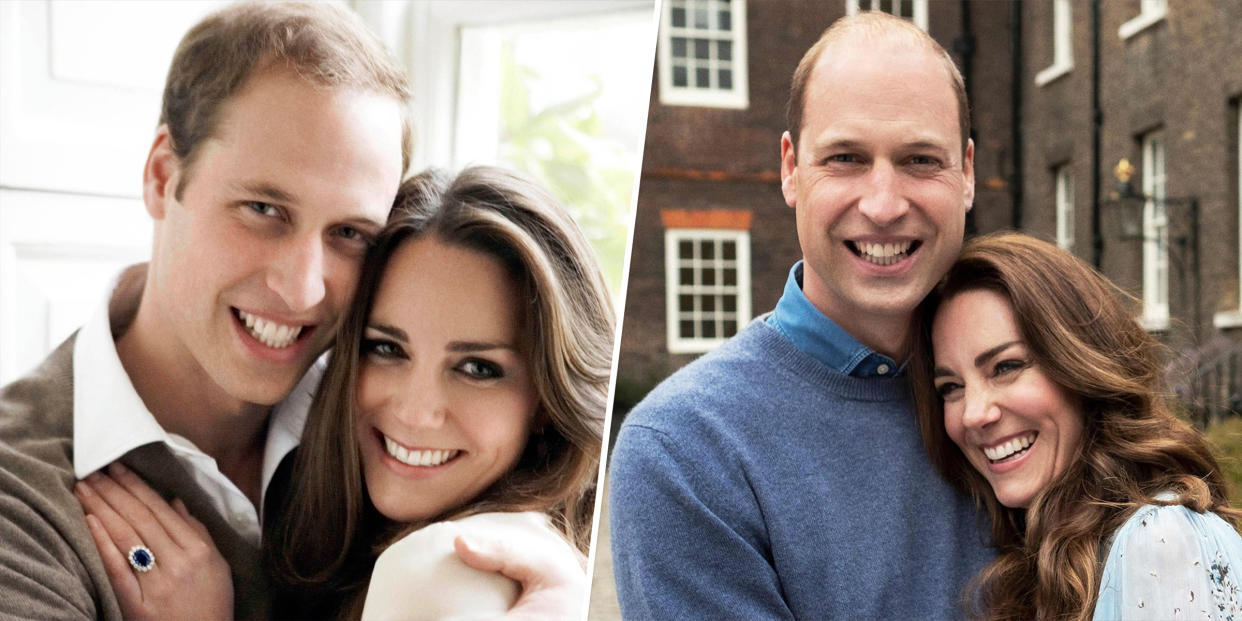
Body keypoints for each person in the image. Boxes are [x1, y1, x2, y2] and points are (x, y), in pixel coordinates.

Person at [0, 4, 578, 619]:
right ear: (163, 174)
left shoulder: (397, 439)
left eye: (350, 232)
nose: (303, 290)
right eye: (263, 209)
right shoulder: (21, 504)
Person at [76, 167, 615, 620]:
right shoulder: (359, 537)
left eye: (477, 368)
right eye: (386, 349)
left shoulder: (447, 574)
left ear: (547, 398)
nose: (415, 411)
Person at [608, 12, 992, 620]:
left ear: (966, 174)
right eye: (845, 158)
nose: (885, 204)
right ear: (791, 168)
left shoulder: (1033, 402)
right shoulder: (686, 449)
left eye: (921, 160)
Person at [910, 232, 1242, 621]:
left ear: (1080, 365)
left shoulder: (1161, 540)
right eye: (951, 387)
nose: (973, 414)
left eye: (1006, 367)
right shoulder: (1042, 552)